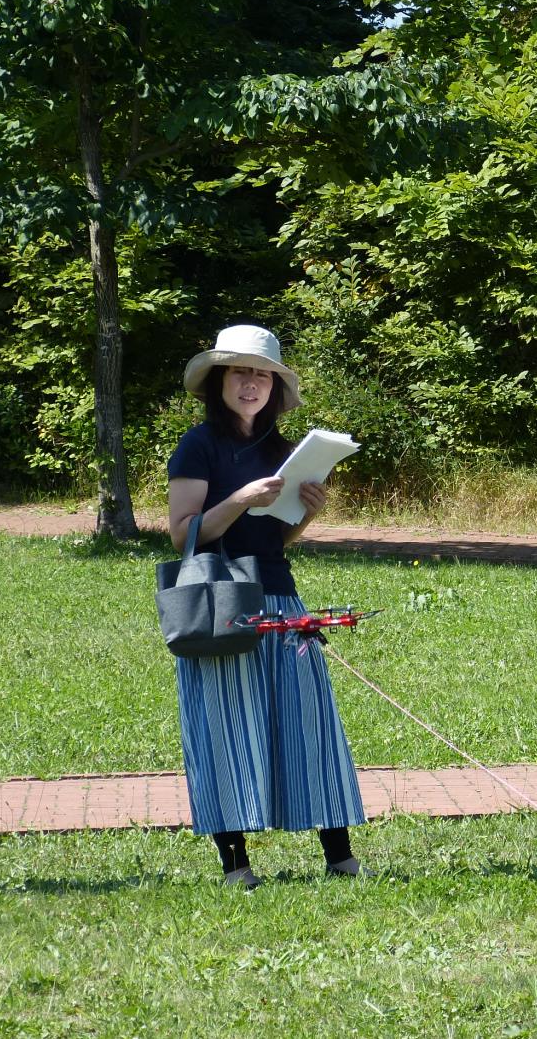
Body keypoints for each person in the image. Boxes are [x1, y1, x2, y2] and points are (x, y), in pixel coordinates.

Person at [167, 324, 368, 888]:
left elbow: (275, 539)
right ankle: (236, 866)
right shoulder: (198, 445)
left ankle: (340, 858)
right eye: (240, 371)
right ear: (220, 381)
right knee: (224, 726)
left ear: (274, 387)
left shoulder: (286, 451)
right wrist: (237, 499)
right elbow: (183, 534)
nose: (251, 382)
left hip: (279, 592)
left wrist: (308, 512)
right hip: (218, 599)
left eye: (261, 373)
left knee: (307, 719)